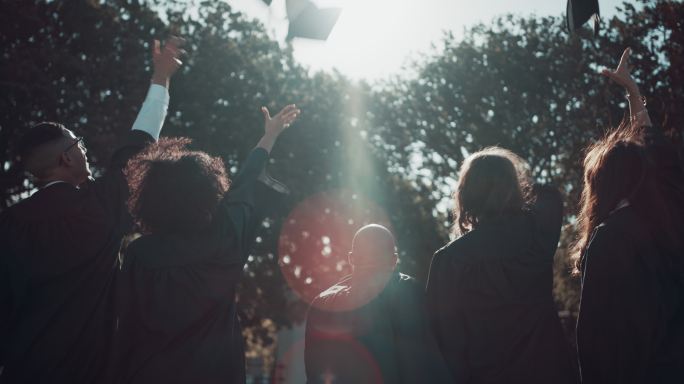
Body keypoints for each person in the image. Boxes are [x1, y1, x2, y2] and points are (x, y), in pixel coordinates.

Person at [0, 37, 183, 383]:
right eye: (78, 144)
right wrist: (161, 79)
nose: (83, 150)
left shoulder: (7, 224)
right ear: (66, 158)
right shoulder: (97, 208)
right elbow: (140, 144)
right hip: (86, 370)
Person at [111, 104, 299, 384]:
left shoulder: (140, 254)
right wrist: (268, 137)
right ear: (209, 192)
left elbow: (124, 326)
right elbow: (243, 188)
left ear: (152, 198)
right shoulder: (227, 240)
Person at [574, 47, 684, 384]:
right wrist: (634, 93)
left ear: (598, 185)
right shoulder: (671, 223)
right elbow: (662, 158)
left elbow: (595, 344)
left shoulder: (609, 240)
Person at [426, 147, 578, 383]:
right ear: (514, 189)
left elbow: (448, 345)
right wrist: (510, 190)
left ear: (464, 194)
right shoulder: (537, 235)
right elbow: (548, 195)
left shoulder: (448, 261)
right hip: (549, 373)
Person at [305, 224, 450, 384]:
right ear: (394, 260)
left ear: (352, 258)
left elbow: (313, 372)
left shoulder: (321, 303)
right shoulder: (407, 292)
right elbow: (421, 365)